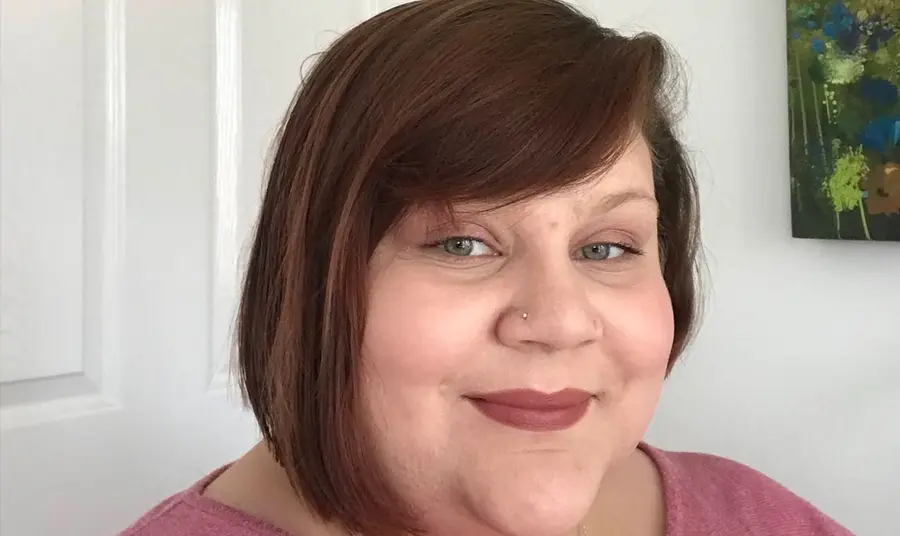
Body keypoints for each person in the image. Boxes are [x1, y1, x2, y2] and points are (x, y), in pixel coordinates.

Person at [119, 1, 855, 535]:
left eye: (607, 247)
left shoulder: (760, 516)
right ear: (313, 277)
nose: (561, 321)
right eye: (463, 242)